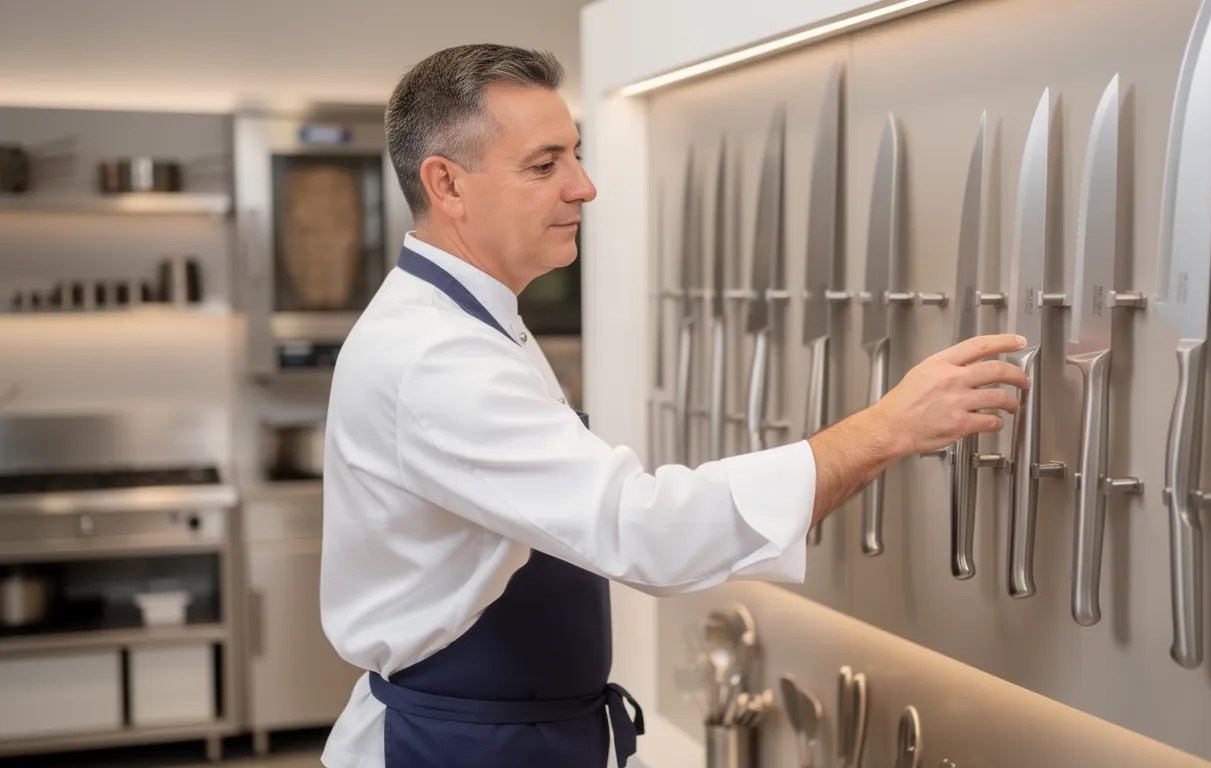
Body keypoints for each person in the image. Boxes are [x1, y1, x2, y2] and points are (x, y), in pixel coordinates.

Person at [318, 43, 1030, 768]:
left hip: (520, 734)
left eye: (577, 155)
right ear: (448, 185)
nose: (584, 187)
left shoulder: (472, 322)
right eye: (545, 165)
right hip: (456, 747)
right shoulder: (439, 358)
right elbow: (644, 530)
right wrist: (884, 429)